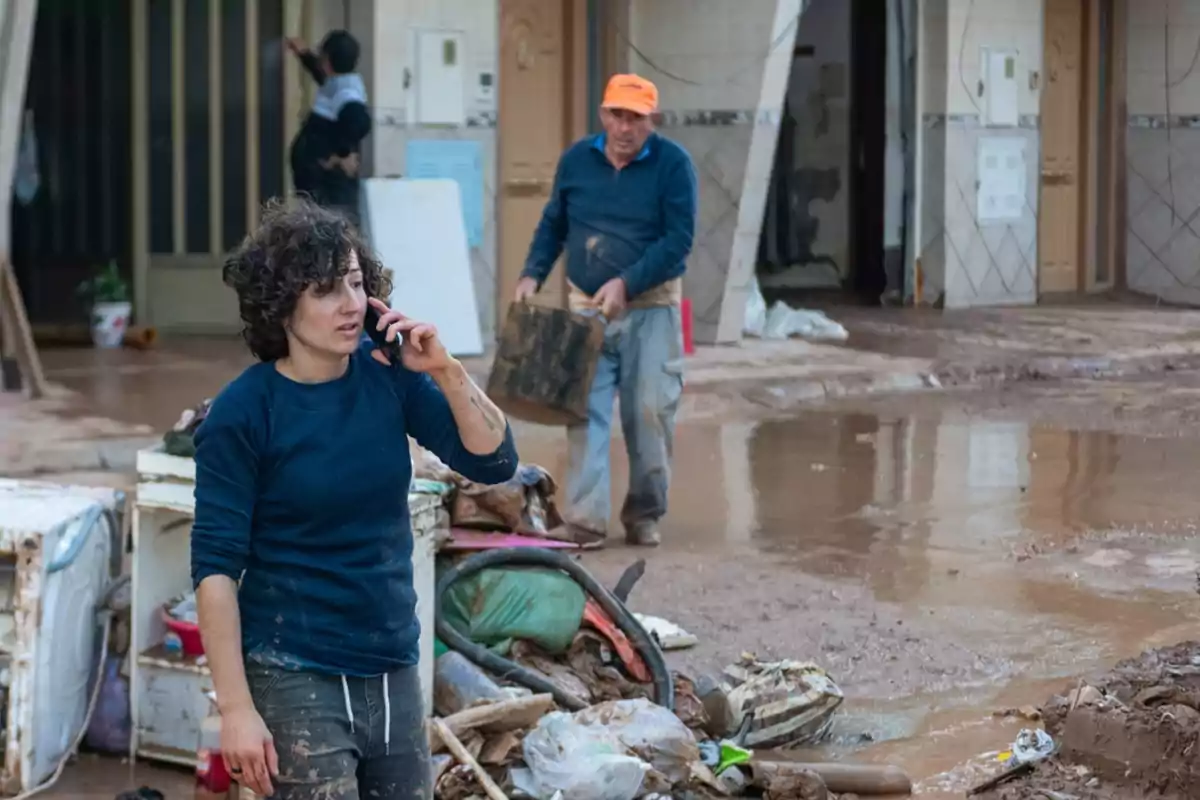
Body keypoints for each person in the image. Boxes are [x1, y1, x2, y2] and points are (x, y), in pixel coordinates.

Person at [191, 198, 517, 799]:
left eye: (356, 282)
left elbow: (494, 462)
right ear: (282, 305)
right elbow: (215, 567)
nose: (350, 304)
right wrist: (234, 708)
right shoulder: (243, 413)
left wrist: (444, 370)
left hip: (390, 658)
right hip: (292, 668)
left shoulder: (386, 374)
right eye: (324, 290)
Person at [514, 74, 697, 548]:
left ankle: (644, 513)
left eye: (635, 117)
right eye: (617, 114)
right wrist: (532, 272)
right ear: (603, 114)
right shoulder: (577, 161)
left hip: (650, 310)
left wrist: (627, 282)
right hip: (586, 308)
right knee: (584, 416)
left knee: (650, 414)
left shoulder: (674, 166)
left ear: (651, 120)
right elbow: (555, 221)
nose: (625, 126)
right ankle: (585, 520)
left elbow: (678, 242)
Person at [286, 30, 371, 218]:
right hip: (322, 186)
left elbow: (360, 122)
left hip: (330, 187)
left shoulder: (347, 93)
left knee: (330, 234)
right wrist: (304, 54)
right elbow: (321, 75)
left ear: (327, 60)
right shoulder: (339, 82)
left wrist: (343, 154)